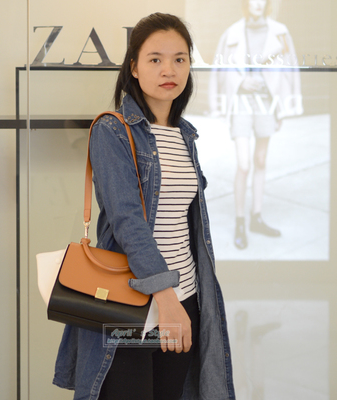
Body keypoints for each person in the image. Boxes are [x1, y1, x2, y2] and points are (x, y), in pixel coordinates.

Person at [53, 13, 235, 400]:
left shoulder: (185, 135)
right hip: (132, 303)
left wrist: (180, 301)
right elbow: (127, 222)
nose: (169, 69)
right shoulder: (112, 130)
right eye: (155, 59)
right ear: (134, 67)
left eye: (180, 59)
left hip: (186, 300)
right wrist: (164, 298)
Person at [209, 0, 302, 249]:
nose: (258, 3)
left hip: (267, 102)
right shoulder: (232, 33)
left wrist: (286, 106)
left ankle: (256, 217)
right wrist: (240, 84)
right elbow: (220, 69)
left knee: (260, 160)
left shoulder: (280, 32)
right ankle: (240, 221)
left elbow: (290, 66)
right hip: (240, 102)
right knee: (244, 164)